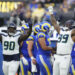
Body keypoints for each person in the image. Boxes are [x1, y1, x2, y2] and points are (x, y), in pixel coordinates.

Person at [48, 6, 75, 75]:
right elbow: (54, 23)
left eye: (68, 24)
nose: (66, 25)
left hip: (65, 57)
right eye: (66, 24)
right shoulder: (61, 32)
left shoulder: (72, 34)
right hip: (57, 56)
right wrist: (51, 13)